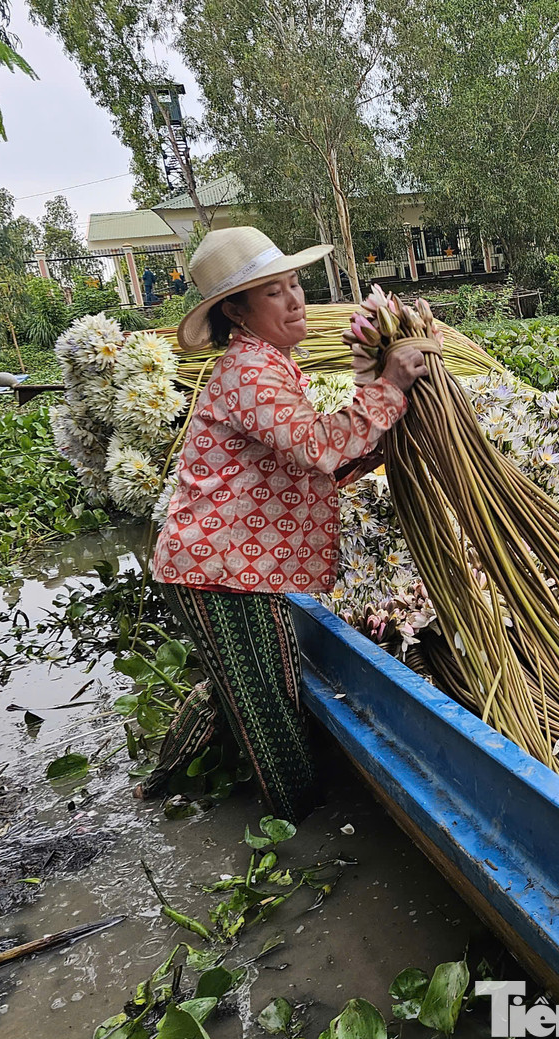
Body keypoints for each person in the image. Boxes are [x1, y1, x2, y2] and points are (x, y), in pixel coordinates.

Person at [145, 226, 428, 820]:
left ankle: (157, 789)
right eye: (274, 292)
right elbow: (318, 445)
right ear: (236, 311)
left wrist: (385, 423)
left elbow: (314, 468)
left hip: (230, 567)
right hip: (220, 570)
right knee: (269, 705)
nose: (296, 300)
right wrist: (389, 386)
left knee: (240, 688)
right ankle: (298, 823)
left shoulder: (271, 365)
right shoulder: (248, 371)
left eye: (295, 283)